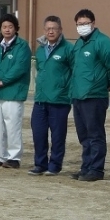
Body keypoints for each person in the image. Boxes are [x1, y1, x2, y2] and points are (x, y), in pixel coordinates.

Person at [69, 9, 110, 182]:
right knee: (84, 134)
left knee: (95, 133)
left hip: (94, 95)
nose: (82, 27)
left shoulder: (102, 42)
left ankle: (96, 169)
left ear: (93, 23)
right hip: (78, 95)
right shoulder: (79, 44)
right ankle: (86, 166)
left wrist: (104, 83)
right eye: (79, 24)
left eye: (85, 23)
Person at [0, 13, 32, 169]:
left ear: (16, 29)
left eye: (10, 27)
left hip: (13, 93)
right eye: (4, 27)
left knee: (12, 127)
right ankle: (0, 155)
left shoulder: (22, 46)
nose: (7, 29)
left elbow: (20, 68)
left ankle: (14, 157)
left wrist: (3, 80)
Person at [29, 15, 73, 176]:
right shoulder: (41, 50)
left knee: (58, 135)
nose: (51, 31)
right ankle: (40, 164)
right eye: (48, 28)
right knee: (38, 132)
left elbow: (74, 72)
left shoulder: (68, 49)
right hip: (41, 99)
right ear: (44, 30)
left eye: (54, 28)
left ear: (60, 30)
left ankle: (55, 165)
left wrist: (66, 90)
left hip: (59, 99)